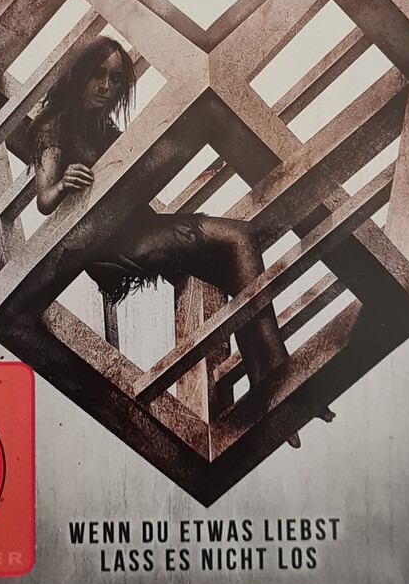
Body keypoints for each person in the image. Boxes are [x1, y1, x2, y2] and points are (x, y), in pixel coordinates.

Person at [31, 36, 333, 442]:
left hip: (137, 229)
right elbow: (44, 199)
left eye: (115, 79)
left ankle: (268, 385)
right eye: (98, 75)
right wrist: (63, 183)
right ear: (81, 74)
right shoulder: (55, 124)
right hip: (113, 247)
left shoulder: (105, 127)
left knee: (235, 268)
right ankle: (283, 378)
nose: (106, 87)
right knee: (240, 237)